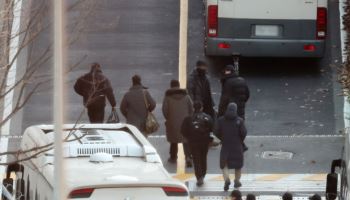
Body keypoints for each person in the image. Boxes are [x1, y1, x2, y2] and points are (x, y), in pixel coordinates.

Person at [215, 103, 247, 191]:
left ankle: (227, 179)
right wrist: (240, 140)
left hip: (226, 146)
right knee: (238, 165)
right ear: (235, 110)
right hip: (237, 146)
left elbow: (216, 131)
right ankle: (237, 180)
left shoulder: (221, 120)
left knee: (224, 164)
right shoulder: (239, 120)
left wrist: (222, 137)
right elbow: (244, 132)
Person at [181, 101, 213, 186]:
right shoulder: (207, 117)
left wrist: (189, 137)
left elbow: (183, 131)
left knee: (196, 159)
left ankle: (199, 177)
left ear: (193, 107)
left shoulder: (188, 118)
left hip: (193, 142)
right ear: (202, 107)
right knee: (203, 158)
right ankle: (203, 174)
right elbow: (212, 128)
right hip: (205, 141)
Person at [187, 60, 218, 147]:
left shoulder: (205, 77)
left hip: (207, 102)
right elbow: (190, 93)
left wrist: (212, 104)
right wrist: (194, 105)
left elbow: (208, 91)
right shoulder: (192, 79)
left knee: (208, 121)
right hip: (198, 104)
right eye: (203, 68)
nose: (204, 69)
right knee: (199, 122)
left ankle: (207, 139)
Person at [162, 80, 193, 165]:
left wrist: (169, 118)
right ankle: (188, 157)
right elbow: (191, 108)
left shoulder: (168, 97)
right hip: (185, 122)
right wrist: (189, 118)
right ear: (179, 86)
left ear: (171, 86)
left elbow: (165, 110)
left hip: (172, 122)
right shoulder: (186, 96)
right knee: (186, 140)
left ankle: (173, 157)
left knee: (173, 140)